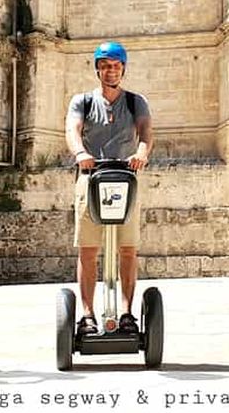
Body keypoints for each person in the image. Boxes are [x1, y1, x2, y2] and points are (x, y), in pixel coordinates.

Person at [65, 41, 153, 338]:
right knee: (88, 250)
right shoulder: (83, 102)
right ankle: (87, 315)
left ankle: (126, 313)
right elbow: (73, 130)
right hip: (91, 178)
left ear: (123, 69)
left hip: (126, 179)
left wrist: (141, 153)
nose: (110, 71)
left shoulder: (136, 102)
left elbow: (146, 132)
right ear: (97, 69)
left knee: (128, 249)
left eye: (115, 66)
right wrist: (80, 153)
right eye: (105, 66)